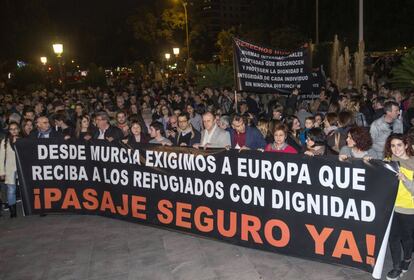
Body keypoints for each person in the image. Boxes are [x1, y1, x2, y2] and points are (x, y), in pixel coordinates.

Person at [383, 134, 414, 280]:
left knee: (407, 239)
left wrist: (405, 179)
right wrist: (367, 161)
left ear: (406, 145)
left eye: (399, 145)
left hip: (409, 208)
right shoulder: (389, 161)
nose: (396, 149)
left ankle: (407, 259)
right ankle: (396, 267)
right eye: (393, 146)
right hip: (391, 207)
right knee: (393, 238)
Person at [0, 122, 20, 218]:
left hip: (22, 168)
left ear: (19, 129)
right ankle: (13, 211)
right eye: (11, 129)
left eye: (15, 128)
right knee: (11, 190)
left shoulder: (23, 140)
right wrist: (1, 172)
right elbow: (1, 158)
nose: (14, 130)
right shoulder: (4, 142)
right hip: (10, 169)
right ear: (9, 131)